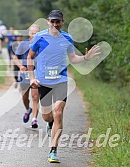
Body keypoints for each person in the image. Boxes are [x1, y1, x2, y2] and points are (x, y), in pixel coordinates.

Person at [27, 10, 100, 163]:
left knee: (58, 112)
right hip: (43, 82)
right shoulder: (40, 37)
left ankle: (53, 150)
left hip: (60, 81)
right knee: (47, 116)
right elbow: (30, 56)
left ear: (62, 22)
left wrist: (86, 58)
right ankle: (50, 124)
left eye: (57, 21)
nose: (55, 24)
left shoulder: (67, 38)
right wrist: (32, 78)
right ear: (48, 21)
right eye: (52, 21)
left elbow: (73, 59)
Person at [13, 24, 40, 128]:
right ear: (29, 33)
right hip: (25, 74)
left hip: (36, 73)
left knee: (35, 96)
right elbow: (15, 58)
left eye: (36, 33)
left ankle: (34, 119)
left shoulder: (42, 44)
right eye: (32, 33)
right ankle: (28, 110)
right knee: (24, 97)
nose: (33, 35)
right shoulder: (23, 44)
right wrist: (20, 66)